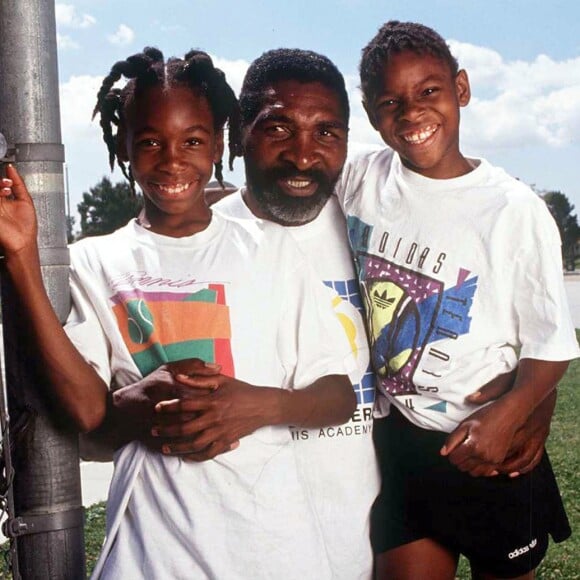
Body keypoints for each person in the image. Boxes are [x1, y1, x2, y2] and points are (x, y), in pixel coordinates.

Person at [0, 47, 357, 579]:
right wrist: (23, 258)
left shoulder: (274, 247)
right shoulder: (97, 262)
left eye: (192, 141)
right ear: (124, 146)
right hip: (152, 554)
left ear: (217, 143)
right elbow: (87, 412)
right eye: (150, 142)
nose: (172, 161)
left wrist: (258, 405)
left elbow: (338, 396)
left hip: (274, 549)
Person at [335, 21, 580, 580]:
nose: (412, 112)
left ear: (461, 88)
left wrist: (515, 414)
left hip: (488, 444)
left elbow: (551, 344)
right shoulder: (361, 180)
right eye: (390, 102)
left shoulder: (513, 210)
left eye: (429, 91)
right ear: (373, 116)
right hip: (397, 441)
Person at [214, 48, 380, 580]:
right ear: (238, 133)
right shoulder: (201, 242)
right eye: (279, 129)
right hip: (240, 549)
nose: (304, 156)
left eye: (327, 133)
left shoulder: (369, 229)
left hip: (363, 545)